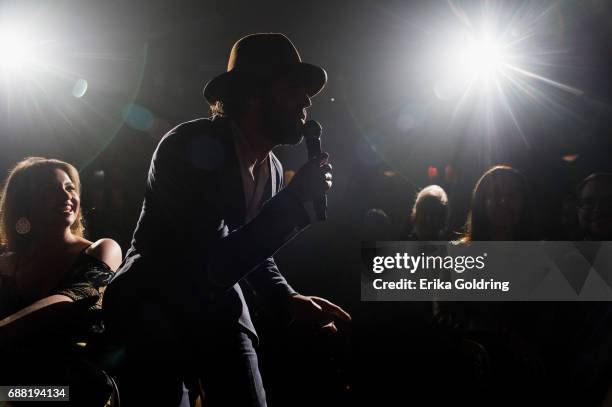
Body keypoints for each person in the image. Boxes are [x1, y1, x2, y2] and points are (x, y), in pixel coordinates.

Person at [103, 33, 351, 406]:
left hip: (217, 311)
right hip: (152, 310)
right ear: (254, 93)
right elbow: (210, 263)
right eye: (294, 88)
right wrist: (296, 203)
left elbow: (252, 249)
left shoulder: (272, 167)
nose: (307, 100)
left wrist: (287, 297)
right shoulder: (193, 147)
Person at [0, 157, 122, 403]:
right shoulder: (5, 264)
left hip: (77, 391)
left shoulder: (102, 249)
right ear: (25, 204)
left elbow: (75, 297)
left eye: (69, 187)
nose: (66, 195)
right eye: (50, 189)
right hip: (18, 392)